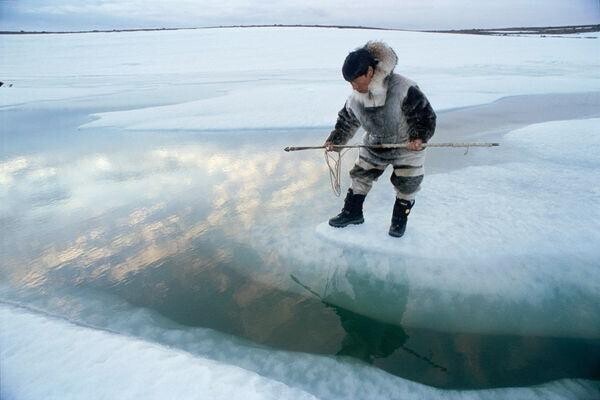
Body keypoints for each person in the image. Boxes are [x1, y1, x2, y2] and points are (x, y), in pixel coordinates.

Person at [325, 41, 436, 237]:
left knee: (408, 183)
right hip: (375, 143)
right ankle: (352, 214)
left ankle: (398, 223)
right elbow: (346, 120)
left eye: (355, 81)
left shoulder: (404, 88)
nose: (353, 87)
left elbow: (425, 115)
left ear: (369, 72)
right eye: (349, 83)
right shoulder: (355, 97)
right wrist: (336, 140)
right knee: (360, 176)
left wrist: (419, 137)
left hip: (407, 145)